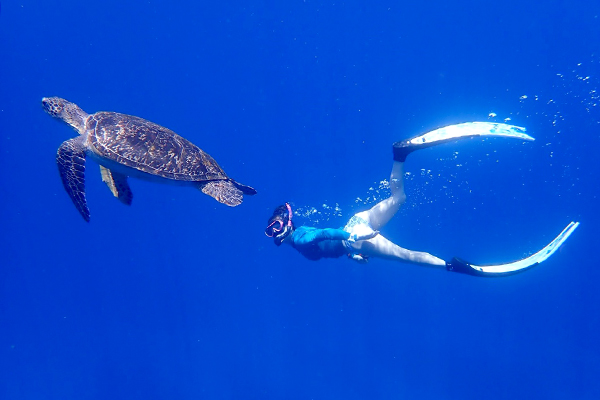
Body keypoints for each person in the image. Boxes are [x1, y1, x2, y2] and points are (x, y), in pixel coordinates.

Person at [265, 122, 580, 277]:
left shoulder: (301, 240)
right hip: (356, 223)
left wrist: (351, 240)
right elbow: (326, 241)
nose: (277, 230)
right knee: (399, 198)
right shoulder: (298, 238)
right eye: (274, 228)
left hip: (355, 235)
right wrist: (351, 250)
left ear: (286, 226)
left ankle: (452, 267)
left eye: (276, 226)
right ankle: (399, 155)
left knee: (408, 256)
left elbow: (323, 235)